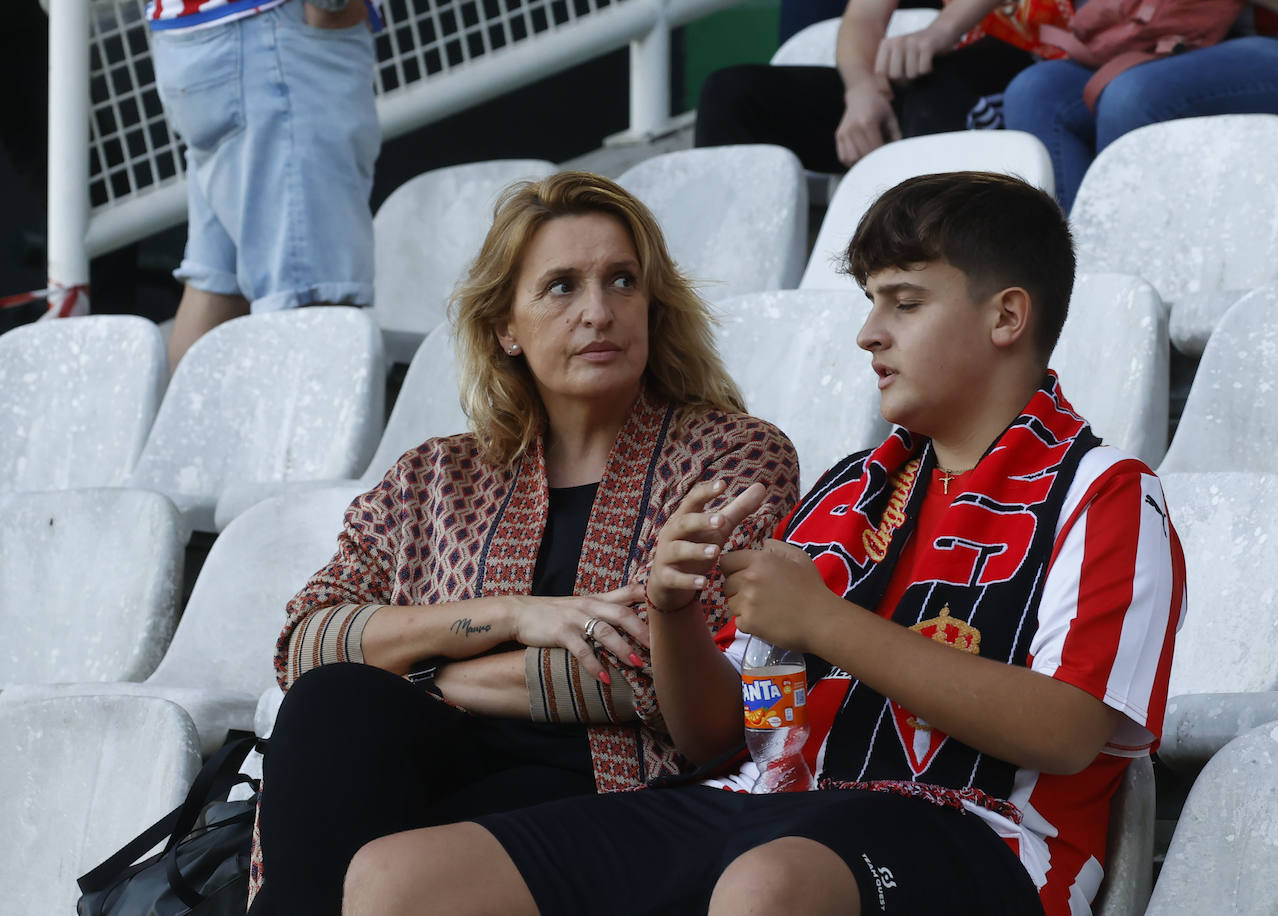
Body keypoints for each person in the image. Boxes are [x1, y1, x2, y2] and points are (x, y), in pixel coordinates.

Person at [338, 172, 1188, 916]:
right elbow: (728, 736)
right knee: (400, 876)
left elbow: (1067, 732)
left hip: (978, 833)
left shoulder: (1105, 492)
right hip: (762, 807)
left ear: (1007, 316)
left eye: (904, 301)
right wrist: (673, 613)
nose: (870, 334)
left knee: (765, 886)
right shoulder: (850, 492)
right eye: (870, 303)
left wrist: (825, 624)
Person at [244, 171, 801, 913]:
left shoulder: (731, 458)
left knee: (383, 802)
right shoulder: (433, 476)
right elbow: (306, 647)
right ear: (507, 325)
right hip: (426, 771)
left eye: (622, 281)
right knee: (335, 703)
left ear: (653, 305)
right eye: (562, 287)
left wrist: (421, 672)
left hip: (618, 795)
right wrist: (515, 614)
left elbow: (666, 674)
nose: (598, 312)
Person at [147, 0, 382, 371]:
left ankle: (187, 430)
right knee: (313, 304)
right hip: (272, 37)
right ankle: (307, 432)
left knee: (219, 287)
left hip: (200, 38)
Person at [1004, 0, 1278, 211]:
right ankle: (1072, 278)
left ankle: (1127, 278)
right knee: (1037, 92)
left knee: (1135, 97)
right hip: (1208, 50)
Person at [694, 0, 1073, 173]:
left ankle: (913, 267)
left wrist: (939, 32)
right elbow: (863, 17)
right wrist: (861, 93)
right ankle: (707, 280)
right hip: (947, 70)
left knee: (934, 95)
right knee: (733, 93)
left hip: (1047, 62)